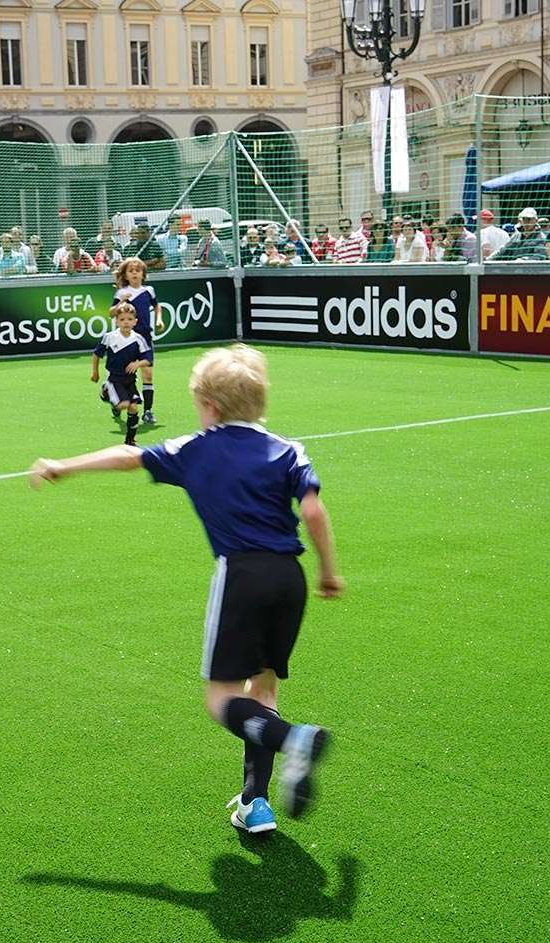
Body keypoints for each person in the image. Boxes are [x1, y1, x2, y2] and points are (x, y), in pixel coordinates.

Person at [28, 344, 341, 832]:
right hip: (290, 578)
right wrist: (328, 571)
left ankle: (292, 739)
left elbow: (130, 456)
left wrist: (64, 466)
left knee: (221, 700)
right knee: (263, 687)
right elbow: (314, 512)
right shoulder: (288, 449)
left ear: (210, 407)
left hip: (241, 574)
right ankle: (255, 802)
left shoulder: (198, 448)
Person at [92, 301, 151, 446]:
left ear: (135, 322)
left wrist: (137, 363)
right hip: (114, 379)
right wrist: (95, 372)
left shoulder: (138, 339)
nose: (126, 322)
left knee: (134, 407)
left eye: (130, 319)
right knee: (124, 404)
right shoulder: (110, 337)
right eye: (122, 319)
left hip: (130, 380)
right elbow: (96, 355)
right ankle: (106, 391)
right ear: (116, 321)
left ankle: (130, 441)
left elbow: (148, 359)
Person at [113, 257, 159, 424]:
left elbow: (157, 306)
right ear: (125, 274)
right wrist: (123, 300)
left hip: (145, 337)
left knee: (147, 375)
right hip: (127, 340)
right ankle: (116, 400)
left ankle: (147, 411)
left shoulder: (149, 290)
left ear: (143, 274)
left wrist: (159, 319)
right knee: (125, 375)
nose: (135, 273)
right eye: (131, 270)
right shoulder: (121, 293)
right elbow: (111, 312)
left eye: (138, 270)